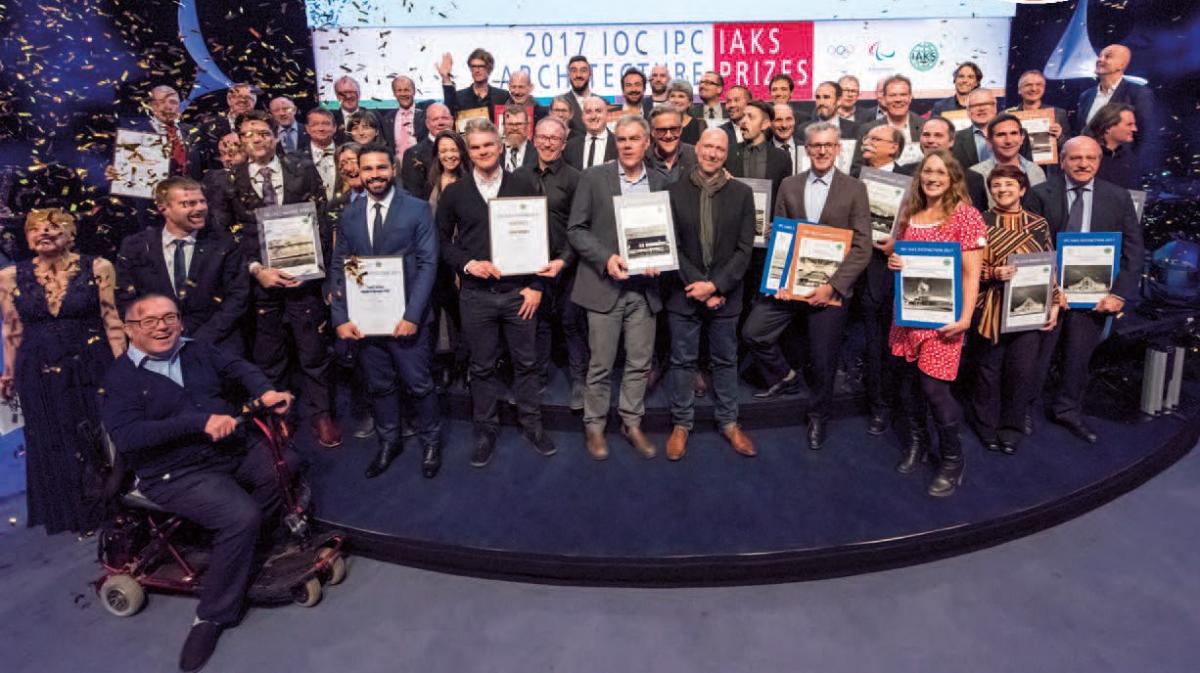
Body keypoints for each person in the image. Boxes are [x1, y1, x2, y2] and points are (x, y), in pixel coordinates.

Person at [100, 294, 295, 673]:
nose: (162, 326)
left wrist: (266, 391)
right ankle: (212, 617)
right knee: (240, 517)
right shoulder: (120, 378)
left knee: (284, 465)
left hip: (226, 451)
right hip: (173, 470)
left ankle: (255, 547)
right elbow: (128, 437)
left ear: (181, 322)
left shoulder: (198, 350)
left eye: (169, 317)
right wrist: (197, 422)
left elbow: (240, 368)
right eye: (149, 321)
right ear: (129, 330)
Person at [206, 110, 341, 448]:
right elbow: (225, 236)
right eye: (249, 133)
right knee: (270, 354)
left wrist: (311, 269)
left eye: (263, 132)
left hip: (303, 282)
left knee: (313, 351)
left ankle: (322, 413)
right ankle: (280, 414)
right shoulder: (227, 181)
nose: (257, 139)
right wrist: (256, 269)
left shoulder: (302, 168)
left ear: (275, 136)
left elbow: (322, 221)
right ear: (240, 139)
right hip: (260, 283)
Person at [743, 122, 871, 449]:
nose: (822, 151)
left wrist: (833, 287)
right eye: (816, 145)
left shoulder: (855, 188)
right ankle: (784, 376)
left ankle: (819, 415)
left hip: (830, 289)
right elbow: (781, 237)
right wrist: (780, 273)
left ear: (838, 148)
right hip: (790, 286)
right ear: (807, 149)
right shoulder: (789, 185)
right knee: (754, 331)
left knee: (823, 359)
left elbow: (862, 247)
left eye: (829, 145)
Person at [436, 118, 557, 466]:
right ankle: (484, 431)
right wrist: (467, 264)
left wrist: (537, 286)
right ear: (467, 152)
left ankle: (532, 425)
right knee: (482, 366)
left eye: (488, 145)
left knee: (526, 363)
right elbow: (442, 242)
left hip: (520, 293)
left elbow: (543, 241)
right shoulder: (454, 193)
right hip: (476, 295)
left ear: (500, 147)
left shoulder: (525, 184)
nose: (482, 152)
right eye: (474, 147)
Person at [0, 209, 125, 535]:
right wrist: (9, 373)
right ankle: (75, 512)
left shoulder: (98, 267)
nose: (44, 234)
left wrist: (124, 368)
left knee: (99, 432)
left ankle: (113, 503)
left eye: (54, 228)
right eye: (36, 229)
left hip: (91, 358)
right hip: (37, 366)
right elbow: (11, 329)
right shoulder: (9, 276)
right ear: (26, 237)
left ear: (71, 234)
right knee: (54, 437)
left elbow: (112, 321)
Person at [331, 144, 443, 479]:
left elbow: (428, 264)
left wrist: (412, 316)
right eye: (368, 169)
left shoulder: (417, 209)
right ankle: (388, 442)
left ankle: (431, 443)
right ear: (358, 173)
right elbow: (342, 266)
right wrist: (341, 316)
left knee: (420, 385)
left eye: (381, 168)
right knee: (379, 386)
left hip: (408, 320)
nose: (375, 175)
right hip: (366, 321)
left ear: (392, 170)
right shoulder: (349, 214)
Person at [1026, 136, 1143, 444]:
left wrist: (1118, 294)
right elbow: (1032, 248)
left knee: (1078, 357)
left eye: (1090, 158)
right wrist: (1050, 290)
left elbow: (1134, 250)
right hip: (1050, 293)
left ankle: (1067, 410)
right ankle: (1023, 409)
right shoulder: (1040, 194)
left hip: (1096, 297)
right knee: (1037, 357)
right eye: (1075, 158)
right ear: (1062, 161)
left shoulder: (1118, 198)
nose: (1083, 164)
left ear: (1099, 161)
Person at [567, 114, 669, 460]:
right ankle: (594, 426)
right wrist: (606, 258)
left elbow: (671, 233)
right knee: (601, 364)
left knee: (640, 362)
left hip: (645, 290)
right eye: (621, 139)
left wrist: (662, 258)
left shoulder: (660, 181)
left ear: (647, 143)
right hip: (604, 286)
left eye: (634, 139)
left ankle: (631, 421)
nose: (627, 145)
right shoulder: (594, 178)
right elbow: (576, 229)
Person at [885, 150, 986, 497]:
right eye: (927, 171)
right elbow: (900, 255)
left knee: (934, 389)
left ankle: (952, 459)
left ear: (953, 177)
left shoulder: (966, 216)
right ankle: (917, 443)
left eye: (941, 172)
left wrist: (965, 319)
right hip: (909, 314)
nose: (933, 178)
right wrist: (896, 261)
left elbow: (973, 274)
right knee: (909, 385)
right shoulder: (911, 213)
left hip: (946, 319)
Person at [664, 128, 757, 460]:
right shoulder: (672, 192)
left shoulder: (743, 194)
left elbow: (745, 250)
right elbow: (671, 246)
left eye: (720, 148)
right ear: (697, 148)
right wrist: (700, 288)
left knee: (725, 359)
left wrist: (716, 286)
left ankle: (730, 422)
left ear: (726, 153)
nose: (713, 153)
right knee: (683, 360)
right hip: (684, 292)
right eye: (708, 147)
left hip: (726, 295)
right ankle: (681, 423)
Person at [971, 164, 1059, 455]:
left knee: (1021, 370)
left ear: (1022, 189)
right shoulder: (979, 222)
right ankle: (986, 425)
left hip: (1028, 309)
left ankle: (1011, 427)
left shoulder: (1038, 224)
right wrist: (994, 273)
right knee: (989, 370)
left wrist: (1055, 303)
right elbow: (967, 269)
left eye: (1009, 185)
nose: (1002, 190)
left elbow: (1049, 265)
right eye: (996, 186)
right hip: (991, 308)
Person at [116, 176, 249, 355]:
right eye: (189, 203)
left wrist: (198, 341)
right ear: (164, 208)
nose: (201, 208)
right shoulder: (135, 246)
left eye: (202, 201)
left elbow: (237, 298)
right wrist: (157, 335)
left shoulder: (225, 244)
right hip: (155, 346)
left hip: (215, 345)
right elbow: (125, 298)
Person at [514, 117, 586, 407]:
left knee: (571, 323)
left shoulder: (576, 179)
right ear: (534, 139)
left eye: (553, 138)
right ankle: (539, 377)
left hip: (567, 266)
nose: (547, 143)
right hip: (530, 268)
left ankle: (579, 381)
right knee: (539, 323)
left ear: (563, 144)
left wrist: (563, 261)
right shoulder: (518, 177)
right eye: (542, 137)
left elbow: (580, 226)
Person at [1075, 44, 1156, 155]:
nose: (1100, 59)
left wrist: (1134, 164)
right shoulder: (1086, 95)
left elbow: (1146, 134)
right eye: (1100, 56)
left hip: (1122, 163)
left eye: (1108, 56)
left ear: (1121, 65)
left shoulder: (1138, 93)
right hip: (1088, 161)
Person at [898, 117, 989, 210]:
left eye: (938, 135)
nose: (930, 140)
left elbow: (978, 218)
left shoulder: (971, 178)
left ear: (951, 141)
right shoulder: (903, 172)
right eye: (926, 135)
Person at [725, 100, 791, 213]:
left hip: (767, 227)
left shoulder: (782, 158)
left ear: (765, 124)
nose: (743, 121)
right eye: (743, 116)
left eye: (750, 117)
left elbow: (784, 199)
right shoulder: (728, 153)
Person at [970, 113, 1047, 202]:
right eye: (1001, 134)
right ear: (989, 142)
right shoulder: (976, 174)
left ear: (1022, 139)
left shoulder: (1036, 171)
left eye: (1013, 133)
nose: (1008, 141)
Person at [854, 75, 922, 168]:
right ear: (884, 98)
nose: (898, 99)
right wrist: (894, 179)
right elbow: (857, 170)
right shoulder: (868, 129)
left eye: (903, 95)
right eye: (892, 95)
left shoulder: (925, 127)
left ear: (910, 97)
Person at [399, 103, 454, 199]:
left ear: (452, 121)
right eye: (435, 119)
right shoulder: (412, 154)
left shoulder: (466, 148)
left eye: (444, 118)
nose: (440, 122)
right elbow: (413, 194)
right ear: (427, 124)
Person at [436, 48, 509, 119]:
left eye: (481, 66)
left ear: (489, 68)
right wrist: (445, 78)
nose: (477, 70)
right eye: (473, 66)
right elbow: (448, 115)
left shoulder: (503, 97)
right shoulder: (459, 97)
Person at [199, 83, 258, 168]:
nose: (242, 100)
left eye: (248, 98)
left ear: (254, 102)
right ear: (229, 100)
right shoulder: (208, 125)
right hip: (220, 176)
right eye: (237, 96)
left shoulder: (263, 124)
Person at [1083, 102, 1140, 190]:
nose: (1134, 129)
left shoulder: (1128, 157)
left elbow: (1135, 195)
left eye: (1134, 124)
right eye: (1129, 124)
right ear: (1108, 127)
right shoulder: (1082, 155)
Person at [1008, 70, 1068, 151]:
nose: (1034, 88)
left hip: (1047, 162)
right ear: (1019, 90)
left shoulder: (1058, 114)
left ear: (1044, 88)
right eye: (1028, 85)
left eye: (1039, 85)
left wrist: (1059, 137)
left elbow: (1069, 146)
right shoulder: (1008, 115)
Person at [379, 75, 427, 161]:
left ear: (414, 91)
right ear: (394, 93)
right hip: (398, 170)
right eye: (399, 90)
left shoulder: (426, 113)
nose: (403, 94)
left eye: (407, 90)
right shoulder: (387, 119)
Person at [646, 105, 698, 184]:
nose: (668, 136)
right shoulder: (642, 159)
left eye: (674, 129)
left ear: (681, 130)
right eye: (662, 130)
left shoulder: (696, 155)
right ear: (652, 132)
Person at [950, 88, 999, 170]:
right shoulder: (955, 139)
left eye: (986, 103)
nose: (981, 109)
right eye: (975, 105)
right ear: (968, 111)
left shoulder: (1016, 134)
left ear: (995, 107)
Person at [564, 95, 616, 170]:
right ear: (582, 117)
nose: (593, 116)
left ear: (607, 115)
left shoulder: (619, 143)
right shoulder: (570, 146)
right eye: (588, 112)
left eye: (598, 111)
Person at [298, 108, 338, 200]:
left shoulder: (347, 154)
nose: (321, 129)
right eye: (315, 124)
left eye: (326, 124)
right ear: (307, 128)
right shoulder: (295, 159)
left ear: (334, 127)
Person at [428, 130, 470, 208]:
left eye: (454, 150)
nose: (449, 155)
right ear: (438, 154)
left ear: (462, 152)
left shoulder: (471, 181)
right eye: (443, 151)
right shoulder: (430, 182)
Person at [562, 55, 594, 136]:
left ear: (590, 74)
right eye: (574, 71)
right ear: (568, 74)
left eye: (583, 70)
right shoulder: (560, 103)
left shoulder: (603, 102)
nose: (578, 75)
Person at [667, 79, 703, 146]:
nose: (676, 100)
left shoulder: (699, 125)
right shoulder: (661, 123)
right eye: (672, 96)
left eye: (681, 96)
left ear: (689, 102)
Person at [501, 106, 537, 172]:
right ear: (503, 126)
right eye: (510, 124)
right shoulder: (495, 152)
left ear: (527, 126)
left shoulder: (538, 153)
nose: (514, 128)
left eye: (519, 124)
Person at [772, 102, 804, 174]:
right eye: (778, 120)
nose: (784, 125)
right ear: (770, 122)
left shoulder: (806, 148)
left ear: (794, 121)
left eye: (788, 119)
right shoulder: (764, 151)